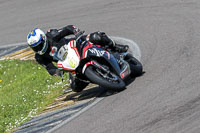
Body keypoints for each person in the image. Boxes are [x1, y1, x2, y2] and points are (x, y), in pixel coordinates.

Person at [27, 25, 129, 92]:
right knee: (75, 87)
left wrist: (76, 32)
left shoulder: (52, 35)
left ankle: (115, 46)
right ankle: (97, 77)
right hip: (70, 62)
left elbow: (68, 28)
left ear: (43, 39)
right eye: (34, 47)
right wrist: (57, 72)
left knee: (96, 36)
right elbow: (49, 68)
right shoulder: (39, 56)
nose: (38, 48)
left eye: (39, 45)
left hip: (77, 45)